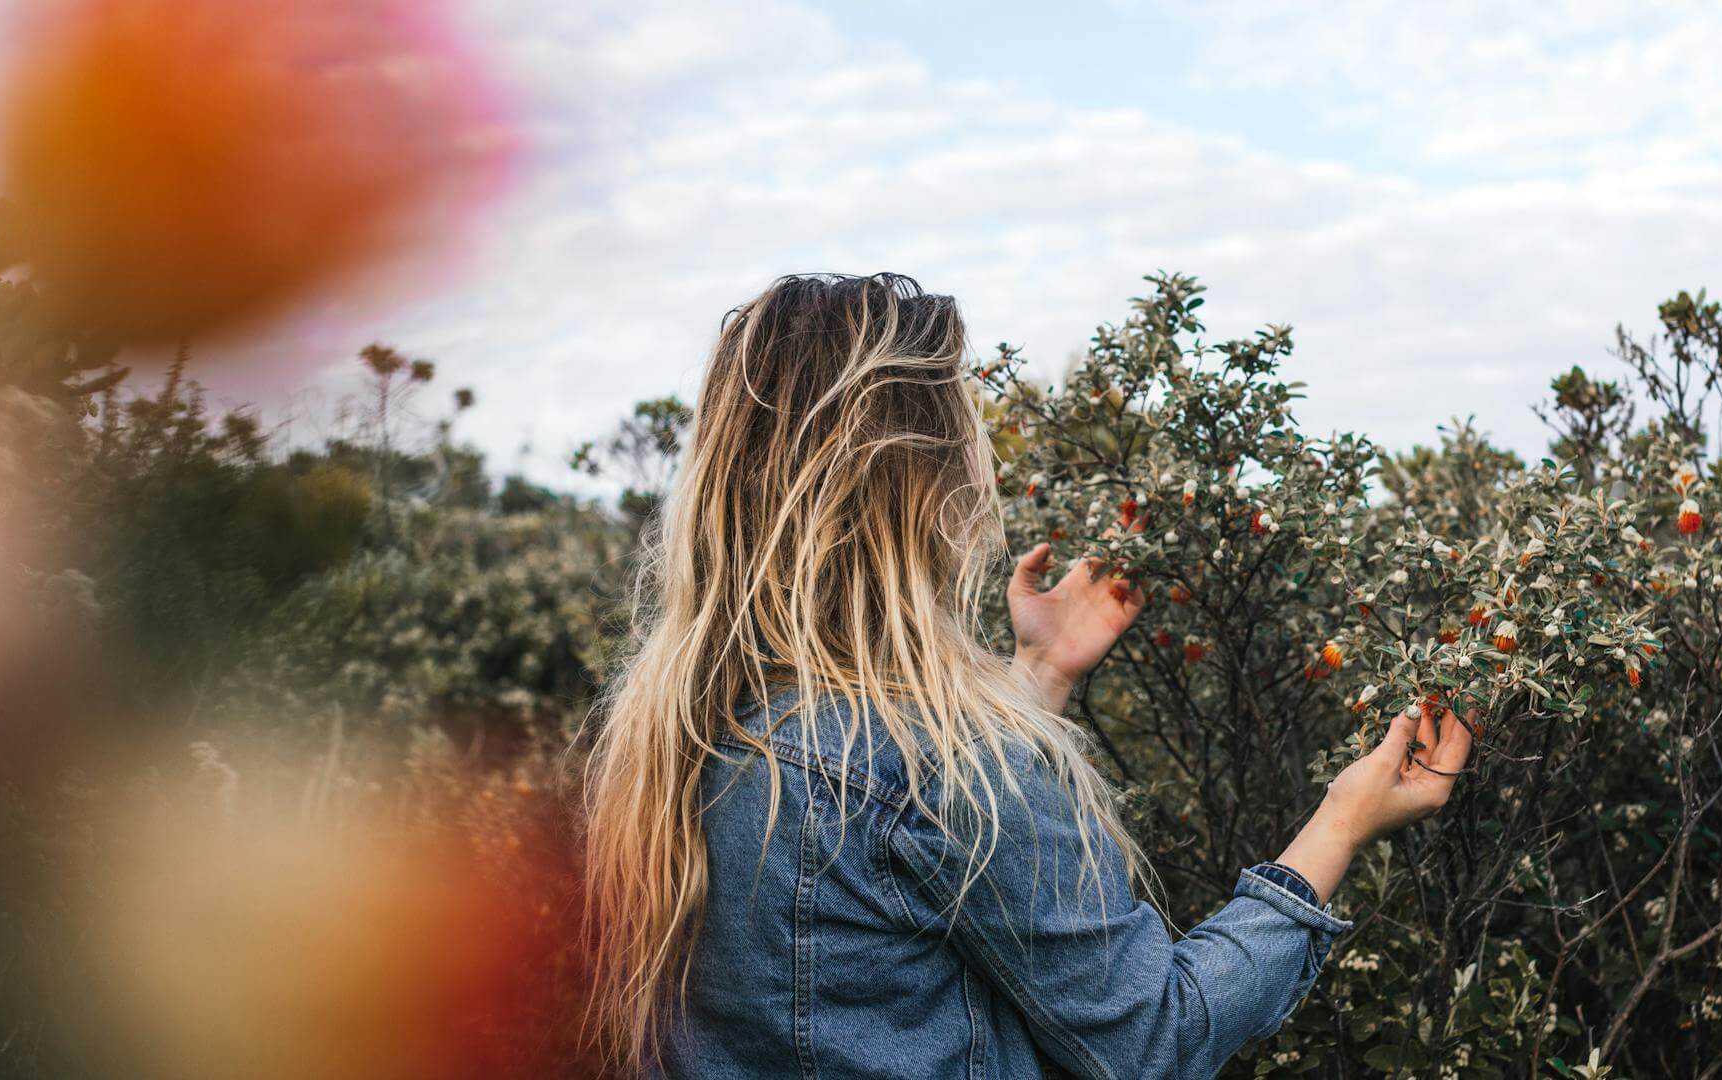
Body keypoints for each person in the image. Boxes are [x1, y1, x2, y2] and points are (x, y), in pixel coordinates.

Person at [582, 273, 1473, 1079]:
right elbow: (1156, 1039)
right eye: (963, 426)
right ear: (912, 483)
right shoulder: (934, 762)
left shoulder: (676, 732)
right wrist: (1342, 821)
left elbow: (875, 903)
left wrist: (1038, 673)